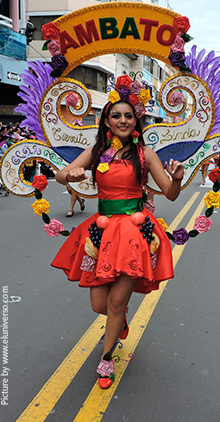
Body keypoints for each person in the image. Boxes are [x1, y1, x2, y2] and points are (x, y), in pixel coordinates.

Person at [51, 75, 184, 389]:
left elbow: (171, 193)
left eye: (128, 115)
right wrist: (69, 173)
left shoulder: (145, 155)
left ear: (135, 120)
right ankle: (118, 321)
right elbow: (59, 176)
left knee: (114, 302)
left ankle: (107, 359)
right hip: (100, 232)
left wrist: (176, 178)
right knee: (100, 304)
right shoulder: (97, 152)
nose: (123, 120)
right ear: (106, 121)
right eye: (116, 115)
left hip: (134, 235)